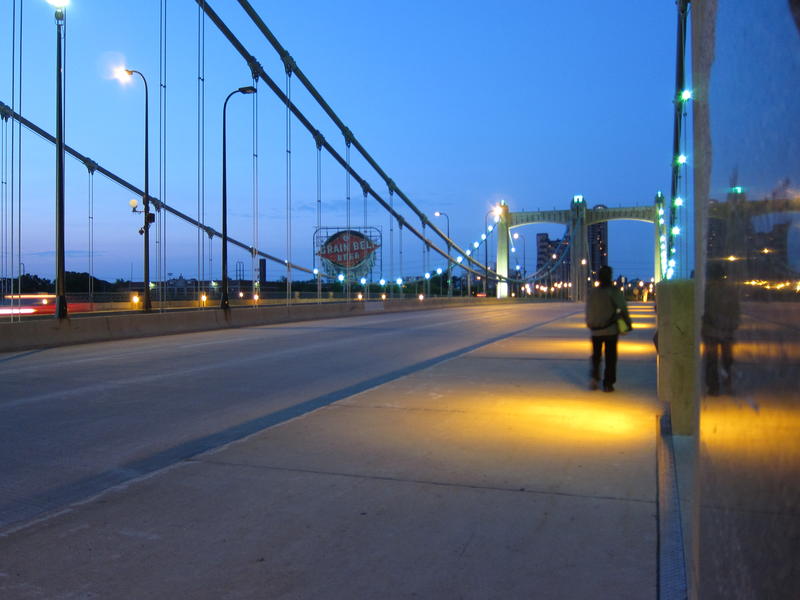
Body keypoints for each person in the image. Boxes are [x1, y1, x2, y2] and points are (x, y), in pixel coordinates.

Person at [585, 265, 632, 392]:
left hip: (595, 330)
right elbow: (622, 308)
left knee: (596, 356)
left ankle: (595, 378)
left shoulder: (593, 293)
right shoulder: (614, 291)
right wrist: (628, 323)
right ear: (609, 276)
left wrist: (590, 323)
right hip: (610, 330)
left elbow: (588, 310)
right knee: (611, 358)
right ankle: (608, 383)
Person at [701, 262, 740, 396]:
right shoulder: (730, 289)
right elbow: (735, 309)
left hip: (710, 329)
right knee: (727, 359)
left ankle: (713, 387)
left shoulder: (707, 290)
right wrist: (733, 323)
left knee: (711, 359)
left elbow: (703, 309)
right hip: (726, 329)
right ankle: (727, 383)